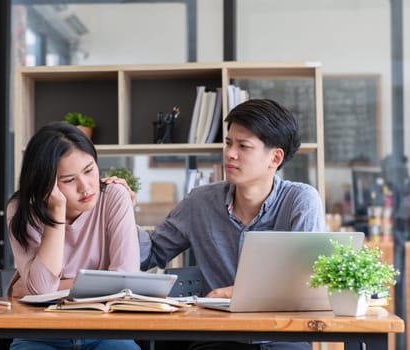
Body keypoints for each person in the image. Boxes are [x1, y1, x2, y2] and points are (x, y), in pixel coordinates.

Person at [139, 99, 325, 350]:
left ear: (275, 158)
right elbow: (149, 254)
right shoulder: (200, 202)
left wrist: (233, 292)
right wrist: (120, 212)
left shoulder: (300, 201)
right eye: (228, 143)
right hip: (218, 338)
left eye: (243, 146)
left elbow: (308, 282)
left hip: (283, 338)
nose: (229, 153)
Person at [6, 121, 141, 350]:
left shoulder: (114, 197)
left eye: (89, 170)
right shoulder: (21, 210)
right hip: (39, 332)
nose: (86, 187)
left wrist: (55, 286)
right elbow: (42, 289)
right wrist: (56, 211)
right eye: (69, 180)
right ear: (45, 184)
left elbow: (126, 280)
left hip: (105, 330)